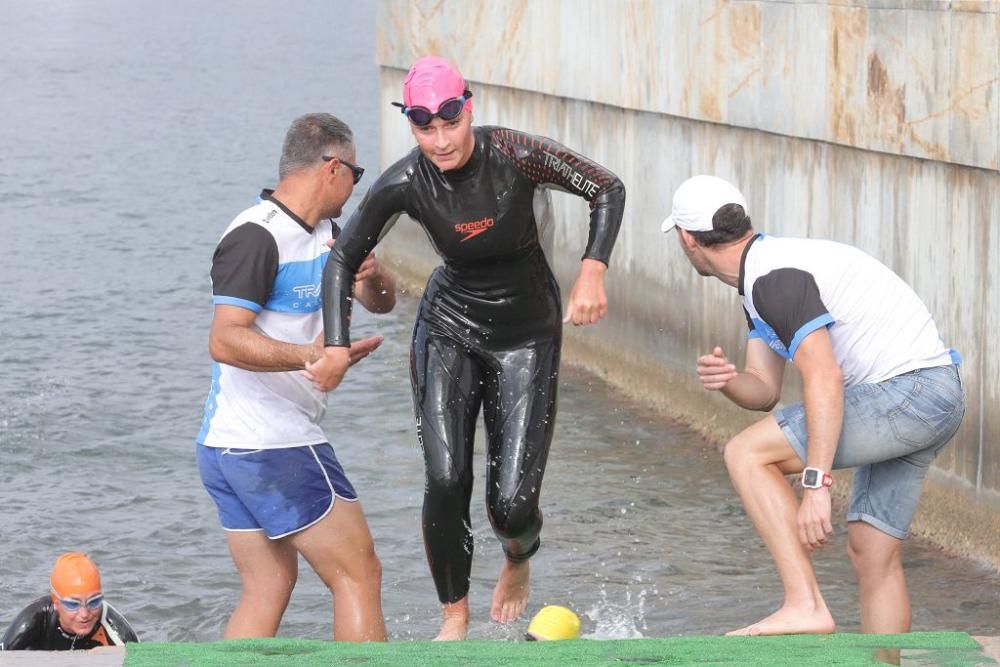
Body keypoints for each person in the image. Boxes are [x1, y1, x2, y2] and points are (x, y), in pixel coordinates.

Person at [307, 56, 626, 640]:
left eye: (449, 123)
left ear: (467, 109)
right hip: (450, 326)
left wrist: (592, 269)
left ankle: (518, 558)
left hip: (527, 336)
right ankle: (454, 615)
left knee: (511, 507)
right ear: (413, 126)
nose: (440, 140)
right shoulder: (406, 181)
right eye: (424, 128)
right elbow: (343, 257)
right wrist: (335, 344)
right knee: (447, 475)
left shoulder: (514, 154)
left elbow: (606, 187)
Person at [661, 175, 965, 636]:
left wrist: (816, 485)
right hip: (935, 395)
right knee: (871, 551)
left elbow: (825, 376)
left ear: (687, 239)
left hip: (910, 393)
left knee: (745, 453)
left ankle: (805, 604)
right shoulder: (760, 277)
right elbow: (763, 389)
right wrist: (730, 382)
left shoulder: (774, 280)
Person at [196, 112, 396, 641]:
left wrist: (374, 277)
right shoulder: (256, 236)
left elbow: (381, 303)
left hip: (228, 446)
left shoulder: (337, 236)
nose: (357, 185)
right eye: (356, 172)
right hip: (269, 441)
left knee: (270, 583)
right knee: (358, 572)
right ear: (332, 168)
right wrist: (311, 357)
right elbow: (225, 338)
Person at [1, 552, 138, 651]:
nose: (84, 614)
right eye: (73, 604)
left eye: (94, 602)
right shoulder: (34, 620)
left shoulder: (118, 633)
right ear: (56, 603)